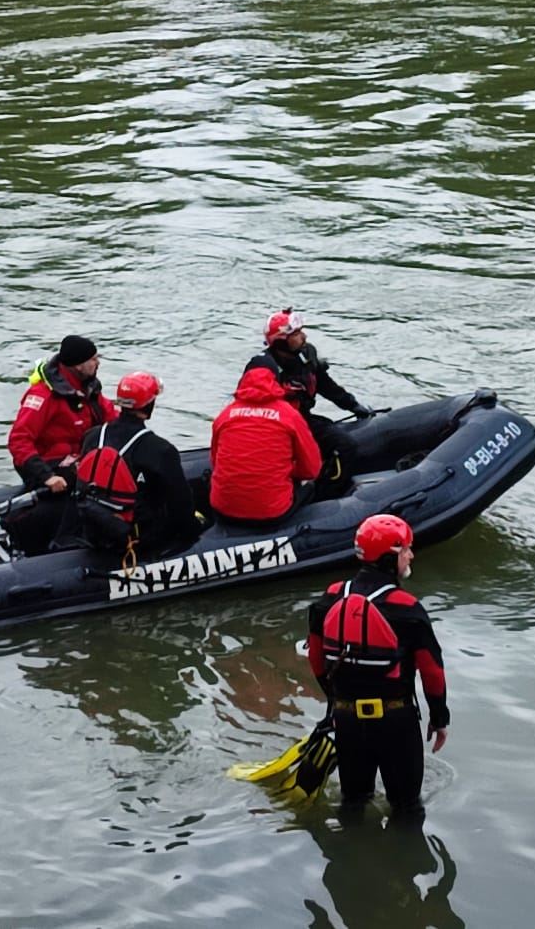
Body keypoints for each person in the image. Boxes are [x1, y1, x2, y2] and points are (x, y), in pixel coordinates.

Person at [307, 515, 450, 820]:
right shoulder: (407, 607)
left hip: (346, 721)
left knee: (353, 803)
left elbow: (316, 658)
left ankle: (349, 846)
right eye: (405, 550)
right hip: (396, 722)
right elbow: (432, 670)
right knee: (407, 809)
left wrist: (335, 699)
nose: (411, 555)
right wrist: (439, 717)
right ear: (389, 557)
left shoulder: (331, 596)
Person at [3, 334, 116, 555]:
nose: (98, 363)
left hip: (77, 460)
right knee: (81, 487)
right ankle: (64, 541)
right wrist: (47, 476)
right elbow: (19, 440)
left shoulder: (88, 389)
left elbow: (111, 418)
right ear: (78, 365)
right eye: (93, 359)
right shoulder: (43, 395)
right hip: (48, 467)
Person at [73, 371, 196, 559]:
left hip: (93, 529)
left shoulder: (93, 436)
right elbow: (181, 504)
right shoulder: (160, 449)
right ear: (149, 404)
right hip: (136, 539)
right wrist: (193, 534)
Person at [247, 310, 378, 483]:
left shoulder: (306, 355)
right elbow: (251, 402)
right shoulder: (262, 366)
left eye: (301, 331)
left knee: (344, 445)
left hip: (302, 419)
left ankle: (327, 488)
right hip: (276, 425)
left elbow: (326, 385)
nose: (304, 336)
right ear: (280, 341)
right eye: (296, 334)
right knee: (338, 446)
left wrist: (352, 405)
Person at [208, 365, 322, 524]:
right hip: (271, 513)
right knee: (309, 487)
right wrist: (288, 469)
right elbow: (311, 469)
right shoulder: (289, 415)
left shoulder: (225, 415)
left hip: (223, 509)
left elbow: (215, 461)